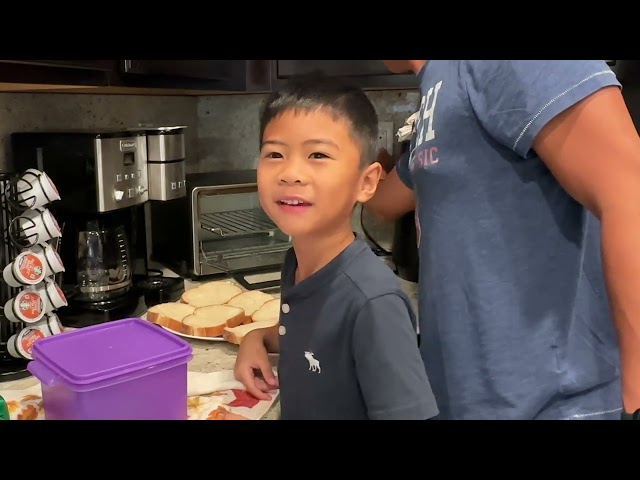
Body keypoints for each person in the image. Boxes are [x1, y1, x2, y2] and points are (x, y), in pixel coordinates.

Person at [365, 60, 640, 420]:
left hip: (555, 406)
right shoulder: (440, 88)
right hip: (472, 399)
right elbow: (386, 201)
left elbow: (628, 192)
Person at [232, 71, 439, 420]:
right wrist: (257, 338)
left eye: (318, 155)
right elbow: (319, 337)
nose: (290, 173)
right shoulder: (298, 264)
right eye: (274, 155)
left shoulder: (373, 302)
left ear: (367, 182)